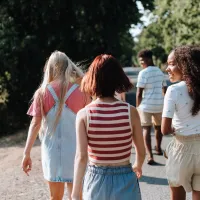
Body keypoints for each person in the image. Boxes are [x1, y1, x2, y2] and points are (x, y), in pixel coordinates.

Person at [71, 54, 146, 200]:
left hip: (96, 180)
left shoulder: (84, 114)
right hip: (125, 176)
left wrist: (75, 193)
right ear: (118, 79)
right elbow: (141, 151)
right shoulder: (130, 111)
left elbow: (81, 157)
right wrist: (137, 165)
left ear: (91, 79)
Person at [21, 51, 91, 200]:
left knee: (55, 197)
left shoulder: (42, 92)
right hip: (77, 153)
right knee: (77, 196)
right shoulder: (82, 91)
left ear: (50, 68)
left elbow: (35, 124)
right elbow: (90, 123)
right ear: (68, 67)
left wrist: (26, 153)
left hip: (52, 153)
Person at [162, 45, 200, 200]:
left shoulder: (174, 90)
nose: (167, 68)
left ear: (184, 65)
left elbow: (164, 130)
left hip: (182, 150)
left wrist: (173, 129)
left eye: (171, 64)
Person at [136, 49, 167, 165]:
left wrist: (137, 107)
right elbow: (165, 89)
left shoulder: (143, 73)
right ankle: (158, 148)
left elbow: (139, 93)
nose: (141, 63)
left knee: (146, 129)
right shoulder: (160, 72)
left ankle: (150, 156)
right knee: (159, 127)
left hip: (146, 106)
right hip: (159, 105)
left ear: (148, 59)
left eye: (142, 61)